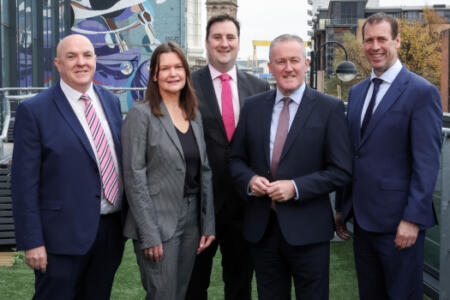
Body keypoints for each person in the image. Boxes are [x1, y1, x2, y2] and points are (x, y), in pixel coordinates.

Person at [229, 34, 352, 300]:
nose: (288, 68)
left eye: (294, 60)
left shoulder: (329, 108)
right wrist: (249, 181)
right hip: (263, 229)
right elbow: (235, 160)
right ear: (270, 66)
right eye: (280, 61)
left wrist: (296, 187)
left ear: (306, 63)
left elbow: (342, 170)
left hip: (309, 231)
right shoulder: (253, 107)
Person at [335, 13, 442, 300]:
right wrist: (342, 207)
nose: (374, 46)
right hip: (363, 220)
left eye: (382, 39)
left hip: (400, 224)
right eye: (368, 40)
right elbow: (353, 153)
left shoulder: (421, 92)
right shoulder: (357, 92)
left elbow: (427, 163)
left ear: (397, 41)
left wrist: (412, 219)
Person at [11, 34, 125, 300]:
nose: (81, 62)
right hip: (58, 239)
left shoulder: (111, 101)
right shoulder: (34, 111)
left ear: (95, 60)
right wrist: (32, 242)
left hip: (109, 232)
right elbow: (23, 184)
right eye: (71, 57)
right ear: (58, 64)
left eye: (87, 55)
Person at [121, 41, 215, 300]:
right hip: (157, 222)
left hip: (192, 218)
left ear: (186, 72)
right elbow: (134, 177)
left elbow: (205, 171)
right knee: (162, 294)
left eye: (178, 67)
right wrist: (149, 235)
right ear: (154, 74)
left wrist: (208, 223)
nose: (173, 74)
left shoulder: (193, 115)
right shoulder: (140, 115)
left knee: (182, 292)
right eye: (165, 68)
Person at [186, 14, 270, 300]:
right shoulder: (186, 85)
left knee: (240, 284)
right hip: (200, 205)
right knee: (194, 285)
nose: (224, 43)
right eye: (217, 37)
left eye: (230, 37)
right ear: (208, 43)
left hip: (245, 205)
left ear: (238, 42)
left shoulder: (258, 87)